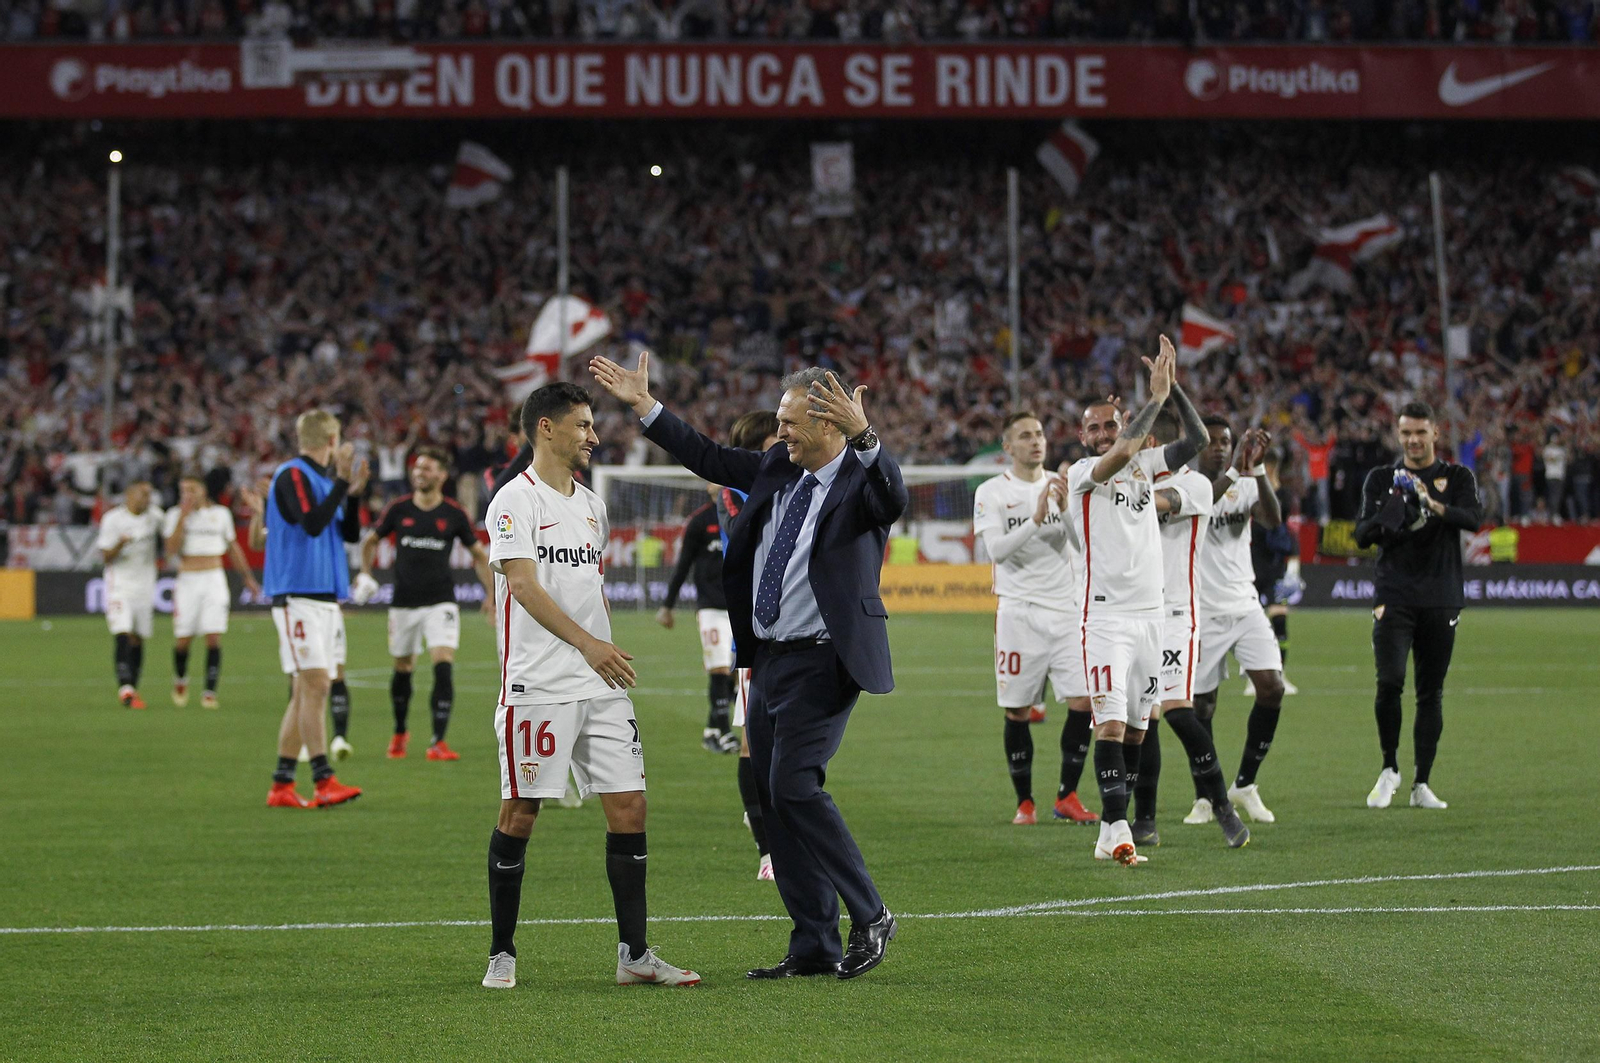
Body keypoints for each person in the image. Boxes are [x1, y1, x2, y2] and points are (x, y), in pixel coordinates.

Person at [591, 351, 905, 981]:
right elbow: (706, 455)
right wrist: (644, 405)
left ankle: (871, 915)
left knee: (794, 784)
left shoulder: (860, 483)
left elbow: (893, 495)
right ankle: (814, 942)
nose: (779, 432)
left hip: (825, 658)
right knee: (770, 796)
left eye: (791, 423)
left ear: (832, 427)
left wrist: (869, 438)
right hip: (766, 660)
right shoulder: (775, 469)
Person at [481, 381, 698, 991]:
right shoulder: (512, 502)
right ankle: (502, 951)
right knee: (520, 811)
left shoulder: (591, 506)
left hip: (601, 682)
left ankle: (634, 953)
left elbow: (587, 589)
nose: (593, 436)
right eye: (582, 425)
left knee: (629, 805)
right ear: (545, 429)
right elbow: (523, 588)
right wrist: (589, 644)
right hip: (539, 685)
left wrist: (598, 649)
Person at [1063, 337, 1248, 865]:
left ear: (1122, 424)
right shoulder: (1080, 473)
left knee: (1141, 729)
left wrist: (1174, 392)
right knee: (1112, 723)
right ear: (1082, 435)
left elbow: (1194, 438)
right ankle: (1120, 827)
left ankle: (1109, 826)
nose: (1102, 434)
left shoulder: (1147, 467)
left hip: (1152, 619)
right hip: (1104, 617)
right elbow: (1122, 453)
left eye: (1109, 424)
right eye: (1093, 427)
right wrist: (1155, 398)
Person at [1354, 401, 1483, 810]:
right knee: (1389, 681)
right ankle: (1389, 768)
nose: (1412, 440)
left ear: (1435, 434)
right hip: (1394, 595)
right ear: (1398, 434)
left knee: (1431, 693)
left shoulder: (1456, 476)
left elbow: (1473, 519)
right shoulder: (1381, 478)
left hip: (1441, 596)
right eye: (1405, 432)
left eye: (1420, 432)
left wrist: (1430, 504)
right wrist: (1392, 513)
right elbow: (1361, 535)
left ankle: (1421, 783)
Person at [971, 412, 1099, 828]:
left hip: (1066, 610)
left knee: (1083, 702)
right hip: (1018, 612)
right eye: (1025, 436)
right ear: (1007, 447)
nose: (1036, 441)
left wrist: (1061, 511)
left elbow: (1082, 548)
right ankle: (1025, 802)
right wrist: (1036, 517)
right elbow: (997, 552)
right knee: (1018, 710)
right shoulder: (992, 492)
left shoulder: (1065, 488)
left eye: (1040, 434)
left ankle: (1067, 795)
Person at [358, 445, 494, 762]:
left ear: (442, 475)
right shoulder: (399, 509)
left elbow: (478, 555)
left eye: (428, 468)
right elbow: (370, 541)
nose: (420, 473)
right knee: (403, 669)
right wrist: (365, 574)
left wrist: (491, 593)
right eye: (418, 468)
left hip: (441, 602)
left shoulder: (453, 513)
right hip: (404, 602)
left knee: (443, 664)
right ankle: (400, 732)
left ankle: (438, 741)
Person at [263, 410, 366, 810]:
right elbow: (310, 522)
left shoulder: (325, 481)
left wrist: (352, 492)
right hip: (297, 593)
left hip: (325, 596)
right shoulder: (292, 475)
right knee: (318, 685)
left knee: (304, 691)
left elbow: (350, 532)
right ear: (331, 439)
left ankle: (282, 784)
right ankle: (323, 779)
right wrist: (341, 482)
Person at [1188, 418, 1287, 825]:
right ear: (1198, 446)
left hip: (1244, 605)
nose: (1218, 447)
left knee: (1272, 686)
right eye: (1211, 441)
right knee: (1200, 707)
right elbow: (1203, 503)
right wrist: (1235, 471)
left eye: (1225, 442)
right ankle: (1205, 797)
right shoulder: (1187, 485)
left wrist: (1258, 470)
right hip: (1200, 610)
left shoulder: (1243, 484)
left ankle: (1244, 784)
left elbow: (1273, 520)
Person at [1128, 411, 1218, 847]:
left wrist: (1117, 475)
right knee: (1142, 719)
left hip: (1178, 614)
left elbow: (1160, 504)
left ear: (1152, 448)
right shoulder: (1125, 482)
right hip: (1135, 612)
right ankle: (1143, 818)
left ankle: (1220, 801)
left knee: (1177, 708)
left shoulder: (1194, 484)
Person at [719, 409, 781, 883]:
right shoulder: (737, 491)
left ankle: (780, 827)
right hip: (758, 624)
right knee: (753, 738)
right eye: (775, 440)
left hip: (797, 621)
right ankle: (767, 850)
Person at [163, 469, 261, 709]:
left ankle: (209, 692)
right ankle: (181, 679)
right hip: (188, 579)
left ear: (202, 491)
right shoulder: (175, 515)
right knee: (183, 639)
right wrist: (183, 518)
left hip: (214, 577)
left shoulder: (220, 514)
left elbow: (232, 547)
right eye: (183, 491)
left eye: (191, 490)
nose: (187, 495)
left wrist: (247, 577)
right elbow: (171, 550)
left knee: (213, 636)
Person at [657, 486, 740, 754]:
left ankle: (711, 730)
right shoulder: (700, 521)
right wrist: (668, 605)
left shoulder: (740, 513)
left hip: (739, 607)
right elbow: (683, 564)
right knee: (719, 668)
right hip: (711, 608)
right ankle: (725, 732)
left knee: (734, 675)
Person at [96, 480, 164, 709]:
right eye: (142, 494)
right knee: (122, 632)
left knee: (138, 637)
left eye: (149, 494)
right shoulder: (113, 519)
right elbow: (105, 556)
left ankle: (133, 689)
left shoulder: (155, 517)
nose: (147, 499)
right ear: (129, 494)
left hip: (145, 585)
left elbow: (170, 535)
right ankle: (125, 688)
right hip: (120, 585)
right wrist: (120, 544)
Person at [1245, 451, 1301, 696]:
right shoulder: (1250, 492)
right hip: (1251, 568)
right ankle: (1252, 678)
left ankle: (1279, 674)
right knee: (1252, 626)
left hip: (1275, 568)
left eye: (1266, 467)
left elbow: (1280, 522)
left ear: (1273, 468)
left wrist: (1293, 569)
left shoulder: (1283, 496)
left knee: (1279, 622)